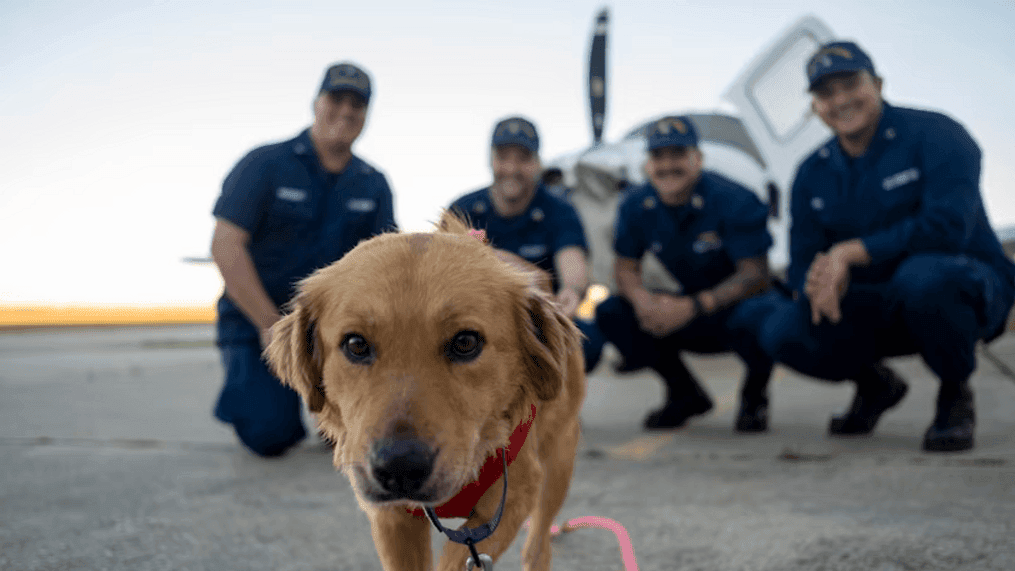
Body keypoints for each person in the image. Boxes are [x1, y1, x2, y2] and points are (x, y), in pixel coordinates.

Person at [756, 41, 1015, 452]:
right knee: (781, 328)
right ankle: (875, 385)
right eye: (825, 93)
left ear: (877, 83)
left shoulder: (938, 134)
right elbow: (803, 258)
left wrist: (848, 253)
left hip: (965, 286)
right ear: (814, 106)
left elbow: (946, 228)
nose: (839, 100)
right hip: (878, 301)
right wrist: (817, 282)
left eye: (850, 85)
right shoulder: (811, 173)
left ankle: (955, 393)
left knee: (926, 278)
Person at [210, 62, 396, 457]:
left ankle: (320, 395)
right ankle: (249, 387)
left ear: (366, 115)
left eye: (357, 105)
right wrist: (269, 325)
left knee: (343, 438)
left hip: (329, 332)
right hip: (258, 321)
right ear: (317, 103)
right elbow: (225, 245)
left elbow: (387, 264)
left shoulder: (373, 183)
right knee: (270, 435)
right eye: (337, 99)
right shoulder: (263, 164)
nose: (346, 111)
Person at [595, 116, 775, 432]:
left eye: (677, 155)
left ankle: (755, 394)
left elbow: (756, 274)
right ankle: (684, 393)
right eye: (658, 157)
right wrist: (642, 301)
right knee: (611, 311)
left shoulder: (734, 198)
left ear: (698, 159)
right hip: (685, 308)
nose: (667, 166)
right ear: (648, 165)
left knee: (761, 313)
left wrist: (693, 306)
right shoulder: (636, 204)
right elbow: (625, 266)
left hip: (730, 310)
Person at [449, 116, 605, 373]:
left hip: (541, 318)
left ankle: (556, 408)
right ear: (491, 160)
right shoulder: (464, 208)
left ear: (537, 162)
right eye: (504, 158)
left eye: (522, 159)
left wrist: (573, 291)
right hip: (479, 322)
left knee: (589, 342)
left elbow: (572, 259)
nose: (512, 168)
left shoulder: (559, 210)